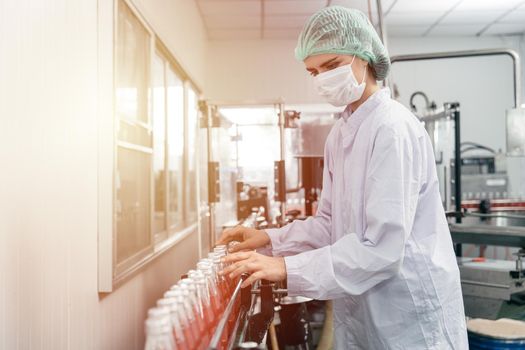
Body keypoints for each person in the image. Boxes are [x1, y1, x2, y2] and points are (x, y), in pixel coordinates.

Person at [217, 6, 468, 349]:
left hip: (409, 315)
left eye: (332, 66)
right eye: (313, 71)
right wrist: (268, 240)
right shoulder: (342, 132)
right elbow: (328, 225)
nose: (322, 78)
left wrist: (287, 268)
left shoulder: (392, 128)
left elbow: (381, 249)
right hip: (365, 311)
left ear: (364, 57)